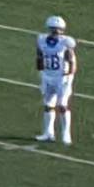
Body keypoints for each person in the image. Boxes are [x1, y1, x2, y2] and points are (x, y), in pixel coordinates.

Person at [35, 15, 78, 145]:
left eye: (57, 29)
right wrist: (41, 73)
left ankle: (66, 134)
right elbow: (39, 57)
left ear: (62, 30)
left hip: (62, 77)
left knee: (62, 105)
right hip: (48, 75)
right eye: (53, 29)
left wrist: (69, 76)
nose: (55, 31)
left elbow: (72, 62)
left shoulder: (66, 42)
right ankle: (49, 133)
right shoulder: (41, 40)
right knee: (48, 105)